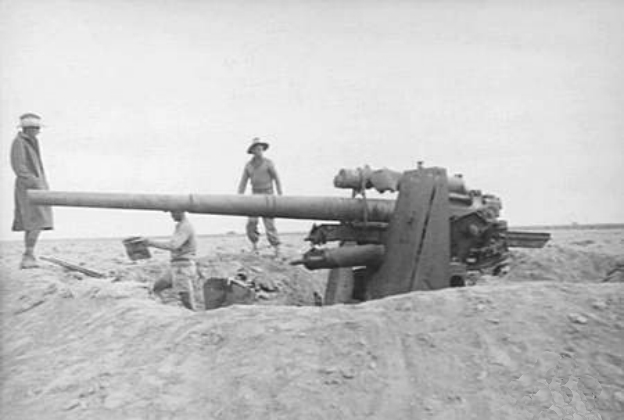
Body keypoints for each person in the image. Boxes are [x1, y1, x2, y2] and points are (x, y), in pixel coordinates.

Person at [10, 113, 54, 269]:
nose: (38, 132)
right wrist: (35, 183)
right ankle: (28, 256)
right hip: (29, 189)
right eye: (36, 129)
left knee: (37, 221)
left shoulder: (31, 142)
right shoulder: (19, 143)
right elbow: (19, 168)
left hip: (37, 187)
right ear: (29, 129)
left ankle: (29, 254)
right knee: (34, 221)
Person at [140, 211, 198, 310]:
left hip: (182, 268)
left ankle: (194, 318)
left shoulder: (185, 226)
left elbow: (173, 245)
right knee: (156, 288)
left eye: (173, 213)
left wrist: (150, 243)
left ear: (181, 212)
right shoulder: (181, 226)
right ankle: (162, 309)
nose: (172, 216)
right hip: (176, 266)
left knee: (187, 300)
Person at [237, 137, 282, 257]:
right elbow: (243, 182)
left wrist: (280, 194)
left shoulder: (268, 163)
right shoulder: (249, 166)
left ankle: (277, 248)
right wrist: (239, 197)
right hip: (255, 195)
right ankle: (255, 246)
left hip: (268, 195)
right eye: (257, 149)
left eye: (261, 149)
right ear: (253, 151)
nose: (259, 151)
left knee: (269, 224)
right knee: (251, 223)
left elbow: (276, 179)